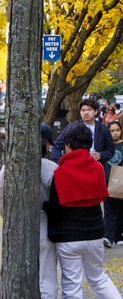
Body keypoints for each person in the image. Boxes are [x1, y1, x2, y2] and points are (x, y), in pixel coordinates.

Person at [44, 123, 123, 299]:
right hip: (94, 232)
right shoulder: (97, 168)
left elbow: (54, 207)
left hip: (69, 236)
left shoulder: (61, 172)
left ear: (69, 145)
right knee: (99, 279)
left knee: (72, 285)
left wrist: (43, 206)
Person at [0, 124, 59, 299]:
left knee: (17, 275)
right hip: (45, 225)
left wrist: (7, 215)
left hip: (16, 225)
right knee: (47, 275)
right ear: (47, 144)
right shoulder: (52, 167)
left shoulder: (8, 168)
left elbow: (1, 196)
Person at [51, 98, 115, 165]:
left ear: (96, 111)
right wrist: (60, 163)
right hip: (75, 166)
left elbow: (110, 150)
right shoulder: (72, 127)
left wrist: (101, 155)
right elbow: (57, 146)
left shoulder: (103, 129)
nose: (86, 113)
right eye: (83, 110)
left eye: (89, 110)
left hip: (95, 166)